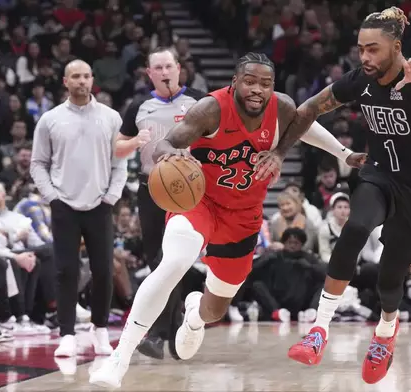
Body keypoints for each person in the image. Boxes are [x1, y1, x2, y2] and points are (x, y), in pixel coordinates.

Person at [89, 52, 367, 389]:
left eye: (265, 84)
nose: (257, 89)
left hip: (244, 217)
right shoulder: (211, 109)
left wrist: (342, 154)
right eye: (249, 81)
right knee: (174, 261)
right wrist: (170, 154)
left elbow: (305, 122)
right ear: (235, 82)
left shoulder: (280, 107)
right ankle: (119, 357)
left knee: (215, 310)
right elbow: (169, 142)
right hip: (199, 202)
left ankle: (193, 318)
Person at [254, 6, 411, 384]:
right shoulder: (360, 80)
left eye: (373, 49)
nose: (364, 57)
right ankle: (318, 330)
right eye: (361, 48)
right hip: (378, 174)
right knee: (355, 228)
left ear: (396, 47)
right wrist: (280, 151)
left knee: (390, 278)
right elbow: (310, 108)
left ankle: (385, 334)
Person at [30, 60, 127, 357]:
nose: (82, 81)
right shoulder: (50, 119)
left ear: (92, 79)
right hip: (64, 206)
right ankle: (67, 334)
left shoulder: (111, 118)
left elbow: (120, 161)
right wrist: (52, 198)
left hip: (100, 204)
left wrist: (111, 196)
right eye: (76, 76)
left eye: (86, 76)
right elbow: (38, 163)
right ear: (65, 81)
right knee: (66, 271)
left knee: (102, 271)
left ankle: (99, 331)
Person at [114, 47, 205, 360]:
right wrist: (134, 143)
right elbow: (118, 148)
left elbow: (218, 141)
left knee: (174, 261)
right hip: (151, 188)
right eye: (158, 68)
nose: (165, 72)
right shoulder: (138, 105)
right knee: (158, 260)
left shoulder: (200, 101)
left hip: (190, 191)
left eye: (169, 66)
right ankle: (176, 329)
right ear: (149, 73)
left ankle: (161, 333)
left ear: (179, 68)